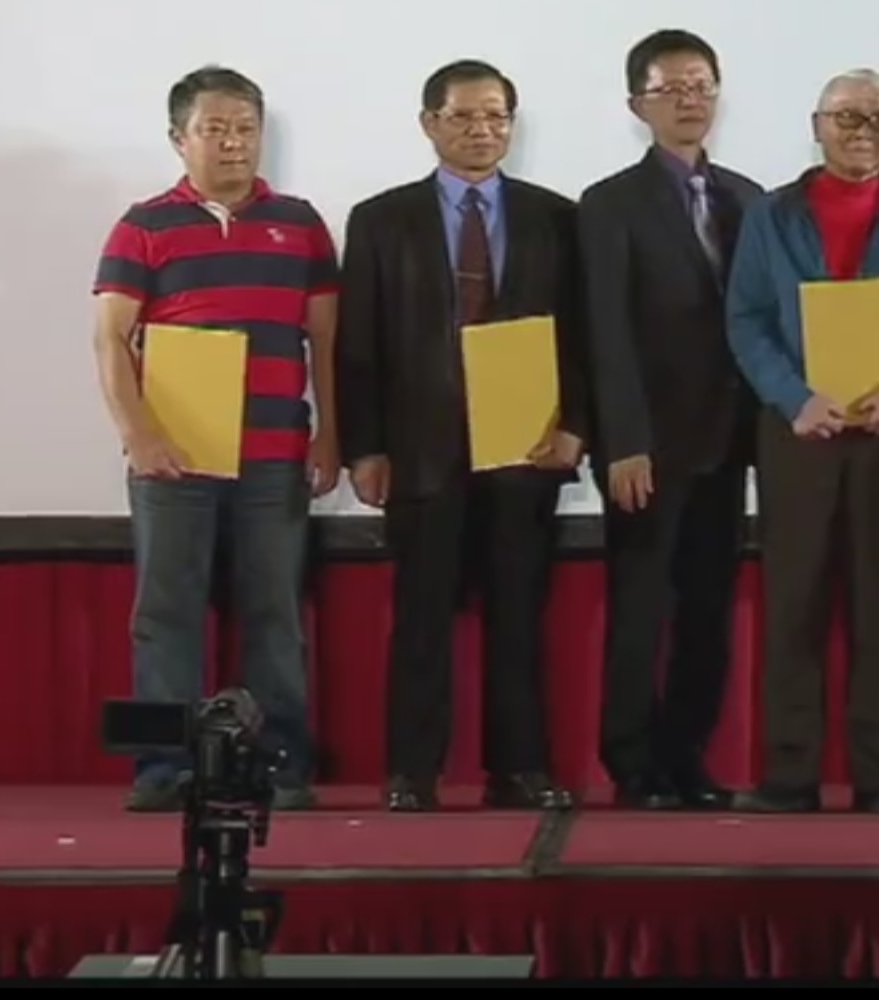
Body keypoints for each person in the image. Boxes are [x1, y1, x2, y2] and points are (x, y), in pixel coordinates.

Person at [334, 59, 588, 813]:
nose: (483, 130)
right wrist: (364, 447)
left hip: (526, 446)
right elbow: (358, 343)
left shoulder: (556, 217)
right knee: (421, 618)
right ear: (429, 124)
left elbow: (583, 335)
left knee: (518, 617)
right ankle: (413, 772)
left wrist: (578, 427)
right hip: (422, 451)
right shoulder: (382, 220)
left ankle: (522, 769)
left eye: (496, 116)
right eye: (465, 116)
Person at [724, 68, 879, 815]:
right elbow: (746, 318)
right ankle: (788, 776)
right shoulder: (770, 216)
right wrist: (792, 397)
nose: (863, 131)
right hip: (798, 430)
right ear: (817, 125)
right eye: (847, 117)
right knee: (793, 602)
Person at [91, 65, 339, 813]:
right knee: (165, 615)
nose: (234, 143)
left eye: (246, 129)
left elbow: (326, 343)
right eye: (215, 129)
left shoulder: (300, 223)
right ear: (180, 138)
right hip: (174, 458)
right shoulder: (144, 225)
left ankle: (281, 766)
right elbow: (110, 340)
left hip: (275, 457)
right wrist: (140, 436)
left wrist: (332, 435)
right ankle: (161, 769)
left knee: (274, 614)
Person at [578, 29, 764, 811]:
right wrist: (623, 441)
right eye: (671, 89)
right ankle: (633, 762)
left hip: (729, 439)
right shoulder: (609, 203)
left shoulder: (751, 199)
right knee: (642, 609)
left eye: (701, 86)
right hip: (648, 447)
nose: (690, 101)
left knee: (707, 611)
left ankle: (687, 757)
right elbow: (605, 330)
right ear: (637, 105)